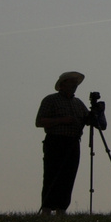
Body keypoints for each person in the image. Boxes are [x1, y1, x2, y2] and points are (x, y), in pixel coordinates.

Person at [34, 70, 89, 214]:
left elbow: (89, 119)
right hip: (55, 141)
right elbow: (39, 121)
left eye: (76, 83)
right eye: (72, 82)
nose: (75, 85)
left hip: (73, 142)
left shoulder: (78, 103)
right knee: (52, 174)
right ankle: (46, 209)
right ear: (63, 84)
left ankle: (61, 209)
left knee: (69, 176)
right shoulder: (50, 100)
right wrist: (61, 120)